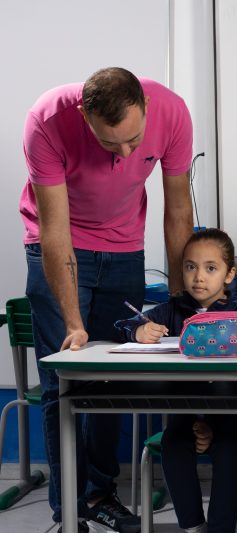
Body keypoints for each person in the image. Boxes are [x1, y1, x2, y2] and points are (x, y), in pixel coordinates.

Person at [21, 67, 194, 532]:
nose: (123, 154)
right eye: (108, 142)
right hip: (57, 247)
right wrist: (74, 324)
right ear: (84, 114)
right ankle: (68, 509)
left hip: (124, 249)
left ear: (147, 108)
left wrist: (181, 302)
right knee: (64, 377)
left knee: (112, 379)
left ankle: (98, 493)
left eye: (134, 141)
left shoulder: (173, 111)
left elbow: (178, 211)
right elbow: (56, 231)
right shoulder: (47, 119)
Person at [116, 229, 237, 533]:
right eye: (190, 267)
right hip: (186, 408)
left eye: (211, 268)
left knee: (227, 449)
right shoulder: (172, 310)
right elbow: (126, 324)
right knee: (174, 443)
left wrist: (212, 422)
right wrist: (138, 332)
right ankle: (193, 527)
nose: (198, 277)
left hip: (233, 412)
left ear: (228, 274)